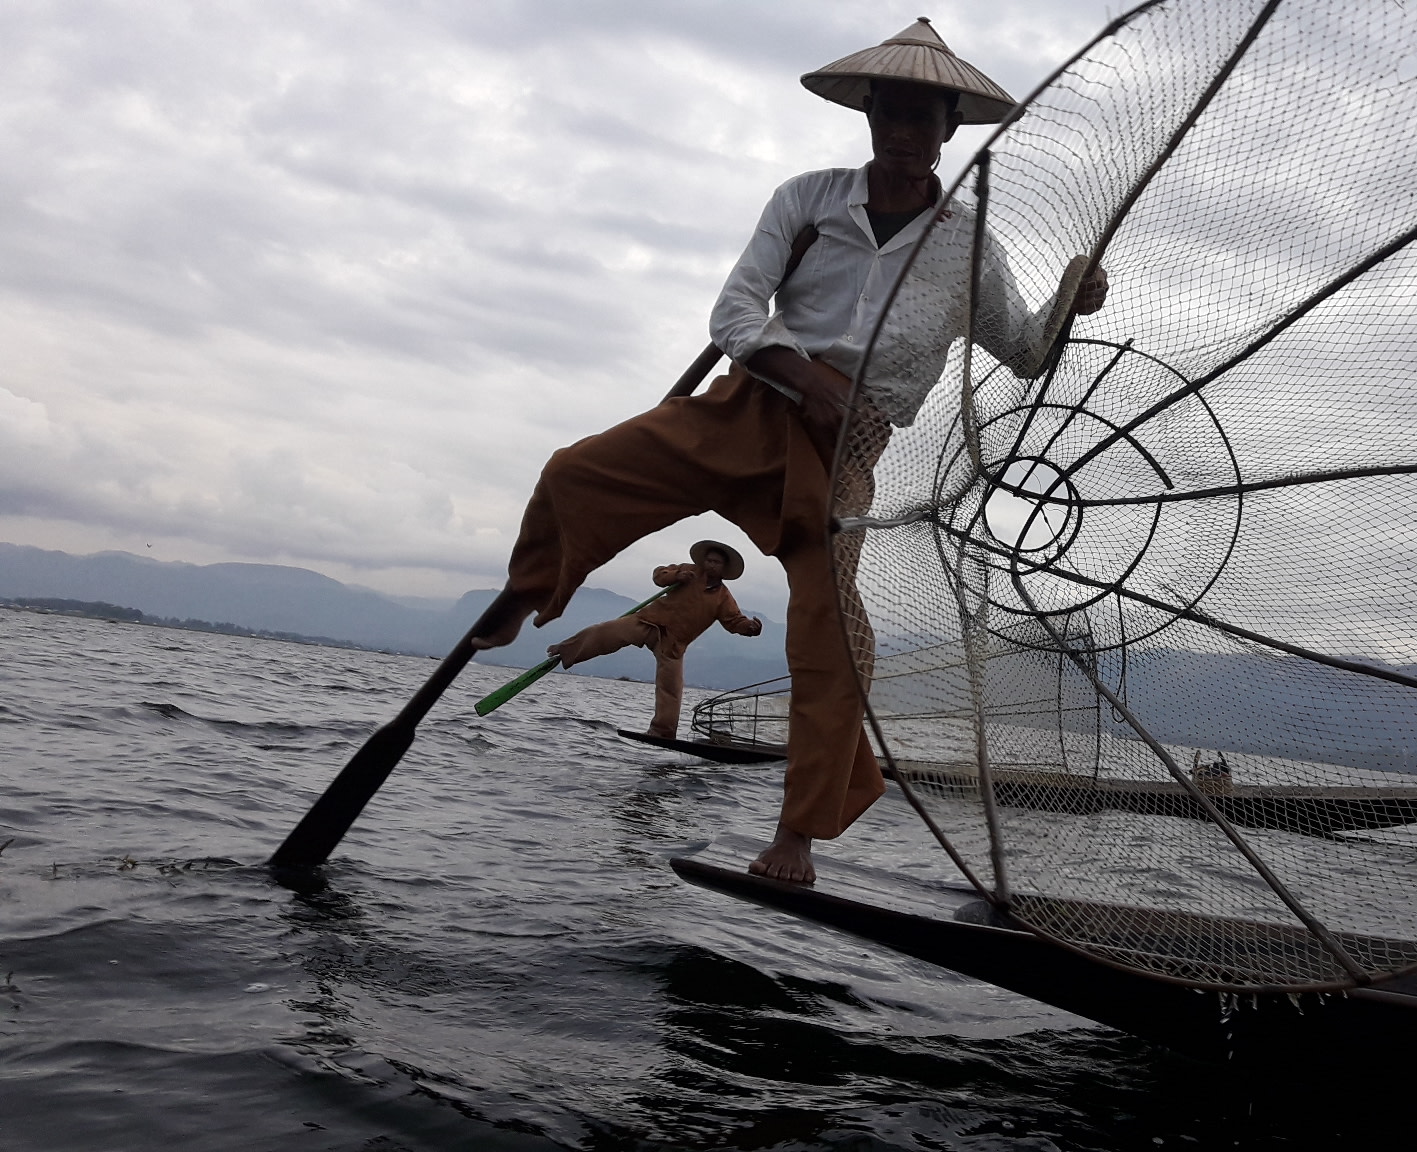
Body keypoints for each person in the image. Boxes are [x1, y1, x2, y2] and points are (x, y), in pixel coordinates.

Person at [472, 18, 1107, 883]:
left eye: (926, 118)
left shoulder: (967, 244)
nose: (907, 132)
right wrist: (808, 381)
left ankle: (797, 836)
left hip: (845, 451)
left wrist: (1076, 296)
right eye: (893, 112)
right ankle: (526, 591)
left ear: (950, 130)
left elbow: (1028, 354)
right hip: (748, 402)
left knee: (833, 632)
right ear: (870, 114)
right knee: (576, 470)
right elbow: (733, 316)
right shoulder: (808, 199)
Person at [544, 540, 763, 740]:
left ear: (723, 568)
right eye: (709, 560)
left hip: (673, 644)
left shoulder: (724, 598)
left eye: (716, 562)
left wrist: (751, 628)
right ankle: (566, 650)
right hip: (648, 622)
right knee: (605, 632)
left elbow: (734, 621)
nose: (712, 565)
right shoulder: (688, 570)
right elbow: (659, 575)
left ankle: (662, 733)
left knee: (671, 689)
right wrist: (676, 577)